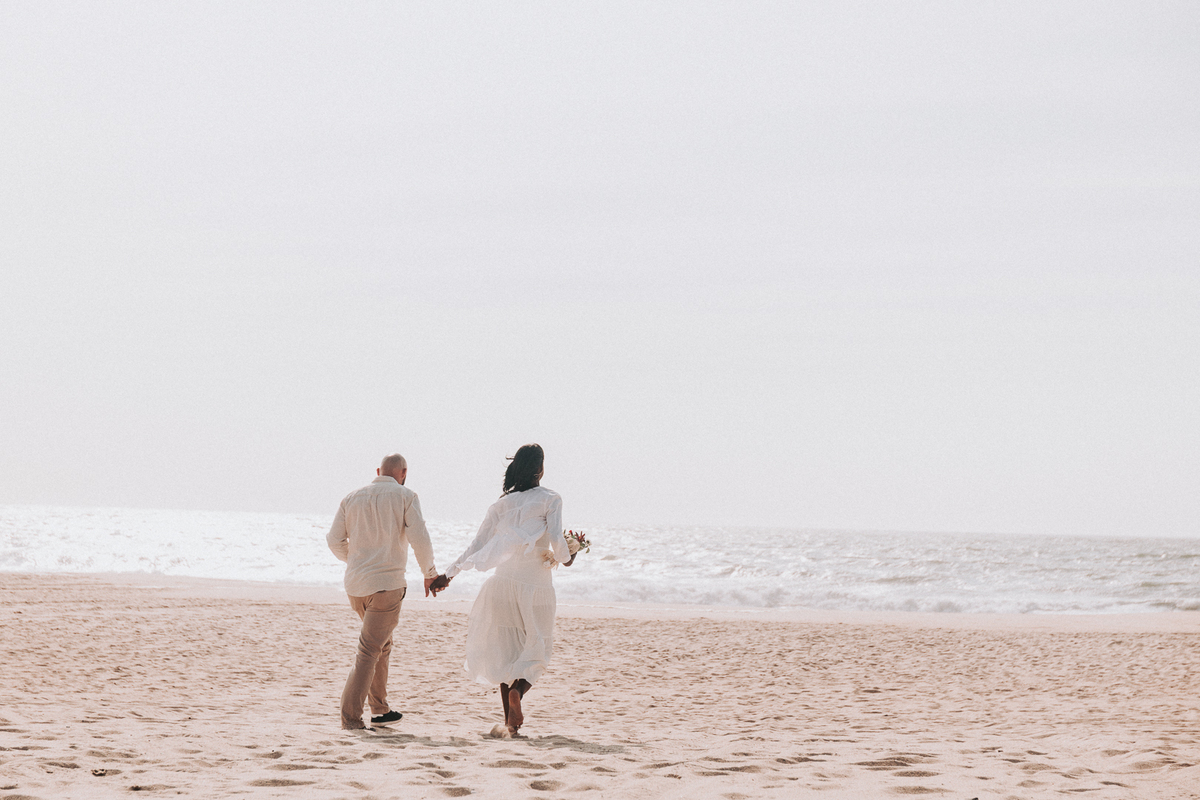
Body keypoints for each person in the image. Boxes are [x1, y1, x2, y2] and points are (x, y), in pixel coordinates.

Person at [430, 443, 575, 736]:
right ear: (540, 469)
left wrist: (449, 574)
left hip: (501, 585)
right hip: (535, 585)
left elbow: (477, 544)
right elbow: (557, 541)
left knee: (506, 653)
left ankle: (511, 724)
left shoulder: (501, 505)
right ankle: (518, 693)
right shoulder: (551, 498)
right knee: (539, 649)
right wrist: (569, 556)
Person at [327, 453, 443, 730]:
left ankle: (379, 710)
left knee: (382, 644)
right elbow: (420, 538)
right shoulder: (406, 496)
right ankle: (350, 718)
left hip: (356, 586)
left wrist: (356, 561)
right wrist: (429, 574)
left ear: (378, 471)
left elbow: (334, 540)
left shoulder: (351, 497)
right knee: (369, 650)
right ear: (403, 473)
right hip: (386, 586)